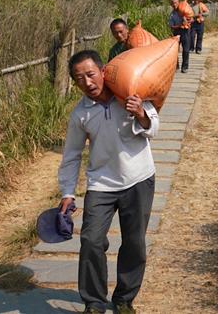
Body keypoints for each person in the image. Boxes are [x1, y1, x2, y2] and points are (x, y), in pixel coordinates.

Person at [57, 50, 159, 314]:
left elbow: (154, 127)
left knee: (134, 242)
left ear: (103, 72)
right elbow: (71, 156)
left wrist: (140, 113)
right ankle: (94, 301)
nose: (87, 83)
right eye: (79, 79)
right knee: (90, 240)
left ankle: (124, 299)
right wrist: (67, 193)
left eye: (90, 75)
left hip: (138, 178)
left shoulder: (129, 91)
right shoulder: (80, 114)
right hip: (101, 184)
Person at [167, 0, 193, 73]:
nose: (174, 5)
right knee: (175, 50)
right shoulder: (172, 14)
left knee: (186, 50)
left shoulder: (185, 9)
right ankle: (176, 65)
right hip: (176, 32)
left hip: (185, 31)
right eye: (172, 3)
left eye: (175, 3)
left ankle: (184, 67)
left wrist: (188, 21)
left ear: (178, 2)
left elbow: (191, 19)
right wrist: (179, 25)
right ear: (171, 5)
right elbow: (171, 25)